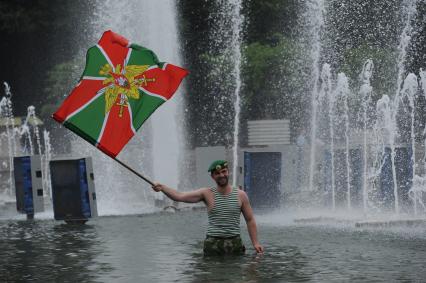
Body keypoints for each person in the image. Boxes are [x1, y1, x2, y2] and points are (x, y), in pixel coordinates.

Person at [152, 160, 264, 256]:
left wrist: (256, 243)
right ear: (213, 176)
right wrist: (162, 188)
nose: (221, 175)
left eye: (224, 171)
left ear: (228, 172)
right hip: (213, 244)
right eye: (217, 173)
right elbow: (179, 196)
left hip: (234, 243)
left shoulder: (241, 195)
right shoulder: (206, 193)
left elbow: (250, 220)